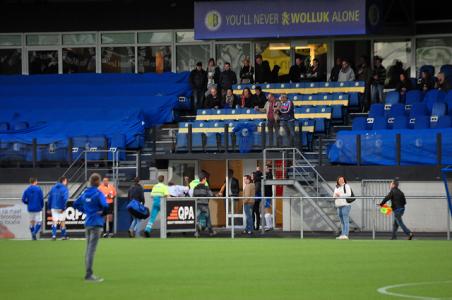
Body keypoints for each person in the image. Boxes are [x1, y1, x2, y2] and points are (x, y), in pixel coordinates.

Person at [73, 173, 109, 282]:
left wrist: (86, 211)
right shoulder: (98, 193)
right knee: (91, 250)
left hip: (88, 223)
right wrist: (102, 213)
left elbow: (75, 204)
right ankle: (89, 275)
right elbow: (106, 205)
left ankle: (88, 273)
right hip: (96, 223)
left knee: (88, 249)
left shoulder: (85, 193)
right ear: (98, 182)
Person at [193, 172, 215, 236]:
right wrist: (216, 195)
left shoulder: (195, 187)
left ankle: (196, 232)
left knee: (197, 219)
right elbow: (211, 195)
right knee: (208, 218)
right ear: (204, 179)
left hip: (197, 204)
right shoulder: (206, 187)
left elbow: (193, 196)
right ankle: (210, 232)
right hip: (205, 204)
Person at [48, 176, 69, 240]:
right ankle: (64, 235)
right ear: (63, 181)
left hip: (53, 207)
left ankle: (54, 235)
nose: (66, 182)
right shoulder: (65, 189)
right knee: (62, 221)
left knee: (54, 221)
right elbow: (65, 199)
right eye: (66, 181)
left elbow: (49, 198)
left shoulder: (53, 188)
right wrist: (63, 208)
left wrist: (49, 207)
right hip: (61, 207)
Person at [333, 176, 352, 240]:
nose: (341, 180)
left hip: (345, 205)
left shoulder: (346, 186)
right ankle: (342, 234)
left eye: (342, 179)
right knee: (342, 221)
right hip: (339, 205)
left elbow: (349, 194)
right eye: (339, 179)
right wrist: (335, 196)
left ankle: (345, 235)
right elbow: (334, 195)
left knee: (345, 220)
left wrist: (340, 195)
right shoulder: (336, 187)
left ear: (344, 180)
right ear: (337, 180)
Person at [263, 164, 274, 231]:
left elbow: (268, 184)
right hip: (266, 194)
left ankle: (269, 226)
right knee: (266, 209)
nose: (265, 169)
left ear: (269, 168)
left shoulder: (269, 175)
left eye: (266, 168)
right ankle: (269, 225)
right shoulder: (267, 175)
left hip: (268, 194)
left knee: (267, 209)